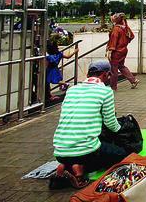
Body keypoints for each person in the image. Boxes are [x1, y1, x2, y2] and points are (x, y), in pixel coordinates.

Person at [52, 61, 127, 189]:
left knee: (82, 149)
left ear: (87, 74)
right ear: (106, 75)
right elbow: (111, 123)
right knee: (121, 155)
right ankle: (78, 173)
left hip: (59, 150)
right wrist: (122, 130)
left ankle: (65, 166)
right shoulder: (105, 92)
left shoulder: (72, 90)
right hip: (86, 149)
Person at [106, 13, 139, 91]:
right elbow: (132, 36)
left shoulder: (116, 29)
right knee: (121, 66)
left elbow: (113, 41)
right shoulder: (125, 27)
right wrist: (126, 41)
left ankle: (113, 87)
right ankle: (133, 80)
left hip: (116, 52)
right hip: (123, 50)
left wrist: (110, 51)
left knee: (114, 70)